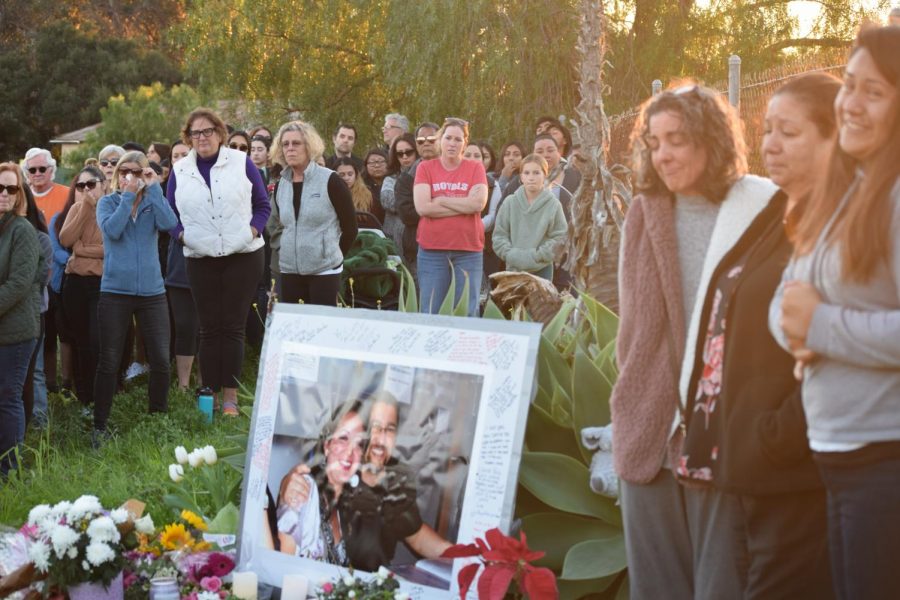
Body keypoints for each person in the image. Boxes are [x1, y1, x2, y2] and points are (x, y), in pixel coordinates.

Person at [676, 72, 842, 600]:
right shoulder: (774, 209)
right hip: (744, 468)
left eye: (788, 133)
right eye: (767, 128)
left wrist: (776, 436)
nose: (769, 143)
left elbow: (840, 348)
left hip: (794, 475)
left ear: (834, 137)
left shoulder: (841, 224)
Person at [610, 82, 778, 600]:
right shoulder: (644, 213)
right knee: (656, 589)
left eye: (676, 139)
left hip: (720, 433)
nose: (662, 154)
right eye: (654, 142)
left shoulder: (757, 213)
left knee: (721, 585)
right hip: (649, 430)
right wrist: (634, 405)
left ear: (711, 140)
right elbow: (630, 328)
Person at [770, 26, 900, 600]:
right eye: (849, 85)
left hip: (884, 462)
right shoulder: (847, 191)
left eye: (873, 90)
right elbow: (787, 297)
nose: (850, 102)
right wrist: (796, 331)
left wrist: (821, 328)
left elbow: (811, 311)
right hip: (839, 459)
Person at [166, 107, 271, 416]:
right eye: (195, 133)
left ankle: (231, 399)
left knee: (233, 327)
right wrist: (182, 236)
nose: (202, 138)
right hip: (200, 257)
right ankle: (207, 400)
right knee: (209, 329)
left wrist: (252, 231)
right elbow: (169, 214)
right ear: (188, 137)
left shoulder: (241, 162)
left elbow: (262, 205)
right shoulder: (180, 170)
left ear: (220, 133)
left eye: (207, 131)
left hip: (244, 254)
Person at [278, 393, 451, 568]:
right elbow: (305, 483)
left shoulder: (393, 485)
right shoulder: (339, 476)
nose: (381, 439)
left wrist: (465, 555)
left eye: (389, 429)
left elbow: (418, 537)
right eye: (375, 427)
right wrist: (286, 484)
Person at [92, 152, 177, 443]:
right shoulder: (108, 202)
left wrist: (153, 188)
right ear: (117, 174)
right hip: (115, 291)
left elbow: (170, 223)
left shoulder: (153, 202)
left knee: (161, 360)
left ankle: (157, 419)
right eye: (124, 170)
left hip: (152, 292)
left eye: (137, 171)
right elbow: (112, 231)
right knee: (110, 359)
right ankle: (99, 426)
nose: (130, 175)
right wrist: (127, 197)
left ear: (145, 173)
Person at [268, 120, 358, 306]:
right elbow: (276, 225)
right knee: (295, 330)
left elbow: (350, 228)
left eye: (296, 143)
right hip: (289, 270)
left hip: (324, 271)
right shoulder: (280, 185)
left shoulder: (331, 180)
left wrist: (330, 255)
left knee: (322, 329)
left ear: (309, 146)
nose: (290, 148)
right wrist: (283, 250)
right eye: (285, 144)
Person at [276, 402, 368, 566]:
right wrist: (285, 487)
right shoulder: (305, 489)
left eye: (359, 443)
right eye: (343, 438)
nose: (350, 451)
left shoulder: (350, 506)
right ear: (327, 446)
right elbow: (283, 567)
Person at [414, 118, 489, 316]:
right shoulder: (425, 168)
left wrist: (440, 200)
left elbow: (478, 204)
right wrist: (463, 205)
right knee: (431, 311)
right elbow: (423, 208)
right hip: (432, 251)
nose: (452, 143)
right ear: (440, 140)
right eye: (448, 138)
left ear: (465, 143)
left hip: (468, 251)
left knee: (466, 311)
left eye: (458, 139)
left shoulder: (475, 168)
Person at [0, 162, 42, 477]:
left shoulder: (22, 230)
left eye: (11, 188)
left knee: (9, 395)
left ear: (19, 195)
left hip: (16, 332)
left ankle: (9, 470)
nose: (4, 194)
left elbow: (19, 283)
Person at [59, 166, 107, 410]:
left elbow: (111, 249)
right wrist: (86, 206)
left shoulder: (112, 208)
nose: (86, 190)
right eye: (81, 186)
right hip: (75, 283)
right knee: (80, 340)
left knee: (98, 340)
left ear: (104, 184)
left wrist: (82, 249)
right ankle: (84, 397)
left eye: (91, 184)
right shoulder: (78, 209)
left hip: (100, 284)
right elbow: (66, 240)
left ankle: (101, 396)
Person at [492, 154, 567, 281]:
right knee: (514, 301)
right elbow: (499, 236)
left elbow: (560, 237)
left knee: (540, 301)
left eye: (536, 173)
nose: (531, 177)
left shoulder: (553, 204)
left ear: (545, 175)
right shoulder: (510, 202)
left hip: (542, 269)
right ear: (521, 177)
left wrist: (539, 255)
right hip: (513, 269)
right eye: (526, 173)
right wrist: (512, 255)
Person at [380, 133, 419, 250]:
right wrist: (422, 203)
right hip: (395, 238)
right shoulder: (391, 178)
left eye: (409, 152)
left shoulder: (429, 174)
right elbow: (388, 201)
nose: (405, 157)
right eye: (400, 154)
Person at [22, 148, 69, 225]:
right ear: (27, 173)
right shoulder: (21, 197)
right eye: (32, 170)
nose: (37, 174)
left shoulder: (68, 194)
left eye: (42, 169)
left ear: (51, 170)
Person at [362, 148, 388, 222]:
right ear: (366, 165)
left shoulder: (393, 183)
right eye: (372, 162)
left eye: (381, 161)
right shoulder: (361, 186)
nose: (377, 165)